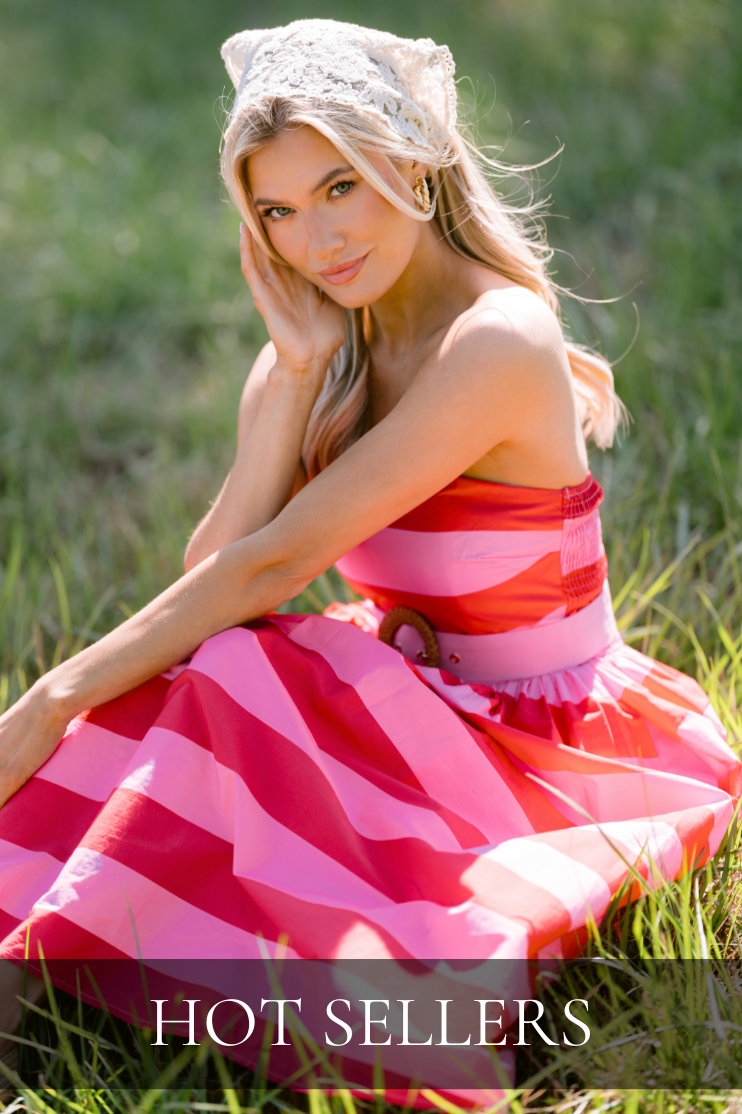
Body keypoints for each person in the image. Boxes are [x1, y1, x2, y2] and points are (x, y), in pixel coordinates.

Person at [0, 16, 738, 1099]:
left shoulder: (496, 337)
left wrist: (50, 698)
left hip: (541, 742)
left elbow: (262, 571)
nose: (318, 240)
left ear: (413, 160)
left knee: (234, 671)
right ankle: (35, 968)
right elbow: (215, 571)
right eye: (279, 212)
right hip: (412, 706)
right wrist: (294, 378)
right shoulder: (318, 344)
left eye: (340, 186)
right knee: (210, 672)